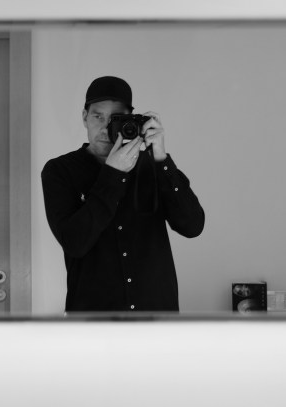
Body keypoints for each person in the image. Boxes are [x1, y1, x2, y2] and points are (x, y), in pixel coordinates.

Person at [41, 75, 205, 312]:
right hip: (94, 318)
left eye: (115, 119)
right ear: (84, 117)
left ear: (131, 121)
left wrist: (161, 159)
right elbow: (74, 242)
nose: (105, 127)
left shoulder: (152, 166)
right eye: (98, 116)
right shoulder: (60, 171)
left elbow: (193, 226)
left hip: (155, 317)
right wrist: (113, 174)